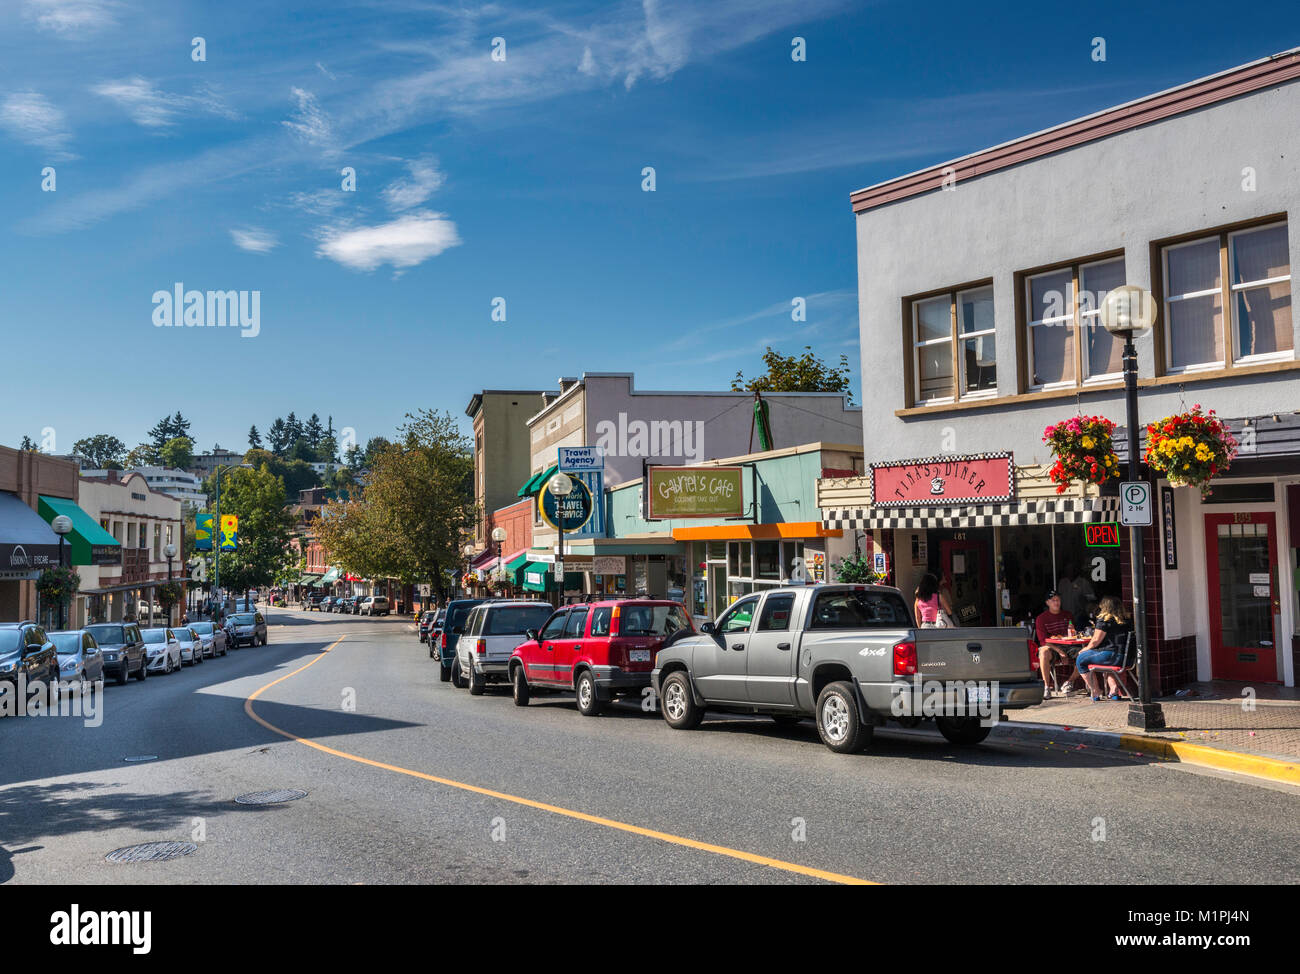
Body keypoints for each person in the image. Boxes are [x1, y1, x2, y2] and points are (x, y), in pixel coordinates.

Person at [1076, 595, 1131, 700]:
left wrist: (1085, 649)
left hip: (1110, 656)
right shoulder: (1127, 620)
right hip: (1125, 658)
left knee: (1080, 659)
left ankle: (1096, 691)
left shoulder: (1104, 620)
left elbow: (1095, 641)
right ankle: (1114, 690)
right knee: (1107, 666)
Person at [1035, 590, 1079, 695]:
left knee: (1085, 655)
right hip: (1052, 647)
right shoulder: (1041, 618)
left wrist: (1073, 631)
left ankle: (1069, 681)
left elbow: (1073, 636)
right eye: (1053, 600)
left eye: (1058, 600)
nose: (1056, 602)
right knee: (1043, 652)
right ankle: (1046, 687)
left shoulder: (1068, 615)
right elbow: (1043, 641)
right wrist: (1059, 651)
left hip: (1068, 645)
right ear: (1047, 603)